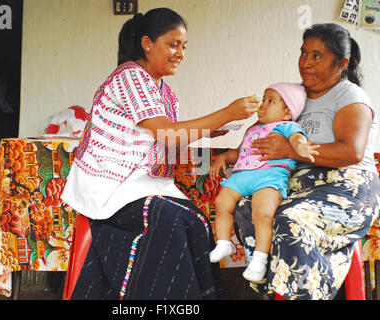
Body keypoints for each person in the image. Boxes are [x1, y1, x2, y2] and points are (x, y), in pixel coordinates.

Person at [61, 8, 259, 300]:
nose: (180, 53)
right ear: (147, 43)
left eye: (184, 46)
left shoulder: (166, 94)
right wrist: (224, 114)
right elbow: (167, 132)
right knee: (171, 219)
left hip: (140, 186)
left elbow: (166, 144)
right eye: (173, 44)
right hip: (111, 187)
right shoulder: (130, 76)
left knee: (197, 220)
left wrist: (207, 131)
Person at [231, 23, 380, 300]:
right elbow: (258, 136)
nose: (306, 63)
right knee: (243, 207)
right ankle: (276, 287)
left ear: (341, 63)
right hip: (297, 187)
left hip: (346, 188)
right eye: (303, 53)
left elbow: (351, 151)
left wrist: (291, 151)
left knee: (290, 219)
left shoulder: (350, 96)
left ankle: (300, 294)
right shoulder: (293, 97)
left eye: (317, 56)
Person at [208, 83, 320, 284]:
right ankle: (224, 242)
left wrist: (301, 147)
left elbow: (296, 139)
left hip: (269, 178)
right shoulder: (253, 130)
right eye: (263, 99)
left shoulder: (288, 126)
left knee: (262, 214)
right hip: (241, 176)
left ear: (286, 113)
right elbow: (240, 153)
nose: (263, 105)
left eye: (271, 101)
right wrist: (223, 157)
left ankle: (259, 260)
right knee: (222, 202)